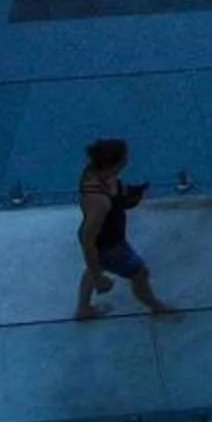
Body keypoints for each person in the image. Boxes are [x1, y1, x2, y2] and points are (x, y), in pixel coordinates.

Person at [73, 137, 176, 321]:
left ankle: (83, 308)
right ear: (117, 163)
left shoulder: (95, 172)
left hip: (107, 238)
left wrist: (128, 193)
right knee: (139, 273)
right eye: (125, 157)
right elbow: (88, 240)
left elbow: (116, 188)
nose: (128, 159)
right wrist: (98, 278)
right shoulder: (99, 201)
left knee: (94, 265)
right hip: (109, 245)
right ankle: (156, 307)